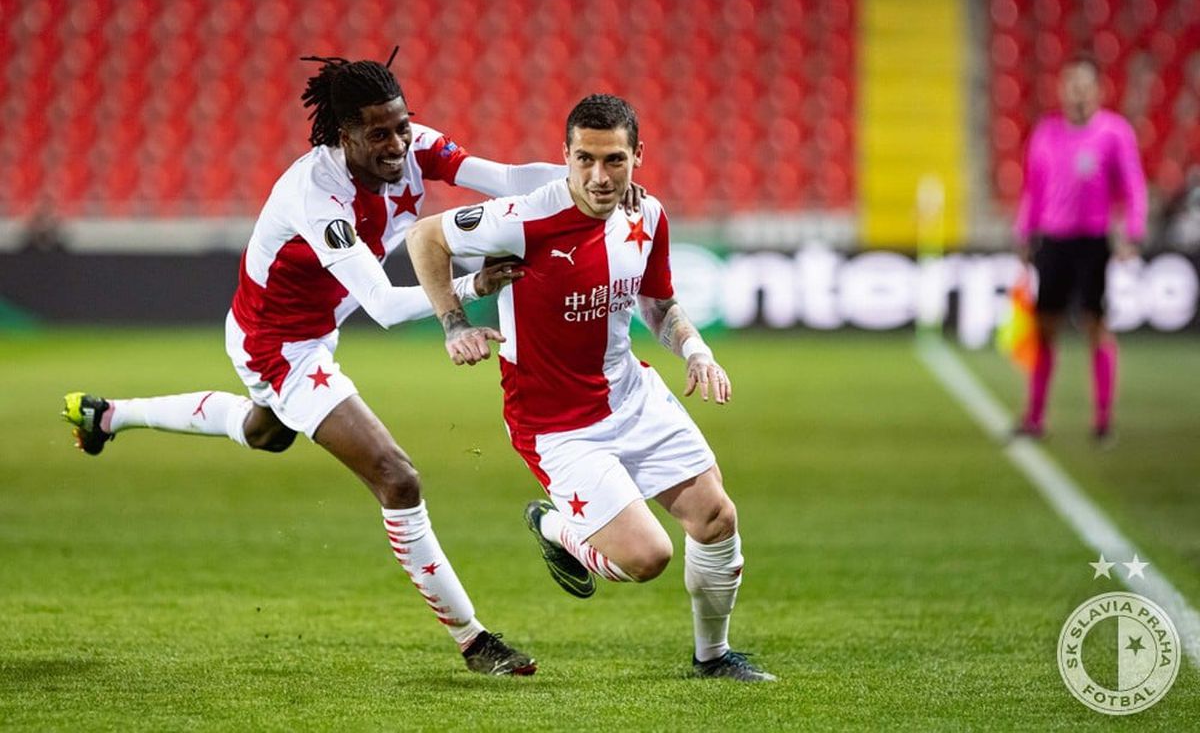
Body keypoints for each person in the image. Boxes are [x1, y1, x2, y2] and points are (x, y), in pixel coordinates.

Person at [61, 53, 574, 676]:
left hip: (317, 329)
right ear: (342, 134)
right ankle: (474, 640)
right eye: (377, 134)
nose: (396, 145)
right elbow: (383, 305)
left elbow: (513, 177)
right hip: (276, 343)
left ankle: (108, 416)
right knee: (397, 476)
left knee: (265, 431)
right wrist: (470, 289)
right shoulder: (315, 194)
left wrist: (594, 183)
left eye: (401, 126)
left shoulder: (416, 149)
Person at [405, 94, 776, 682]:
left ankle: (713, 658)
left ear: (637, 157)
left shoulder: (647, 214)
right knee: (647, 558)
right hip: (556, 425)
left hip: (631, 394)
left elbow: (658, 304)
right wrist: (453, 322)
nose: (599, 177)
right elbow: (425, 238)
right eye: (585, 160)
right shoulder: (523, 218)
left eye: (614, 161)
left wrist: (697, 350)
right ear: (565, 157)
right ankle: (552, 525)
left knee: (716, 518)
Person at [1013, 55, 1148, 442]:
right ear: (1061, 90)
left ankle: (1103, 419)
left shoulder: (1114, 133)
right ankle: (1035, 417)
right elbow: (1033, 191)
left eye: (1084, 87)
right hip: (1054, 242)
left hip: (1092, 242)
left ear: (1098, 91)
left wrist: (1132, 234)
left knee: (1096, 326)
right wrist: (1025, 234)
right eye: (1071, 86)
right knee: (1045, 329)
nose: (1077, 94)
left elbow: (1134, 186)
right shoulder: (1046, 132)